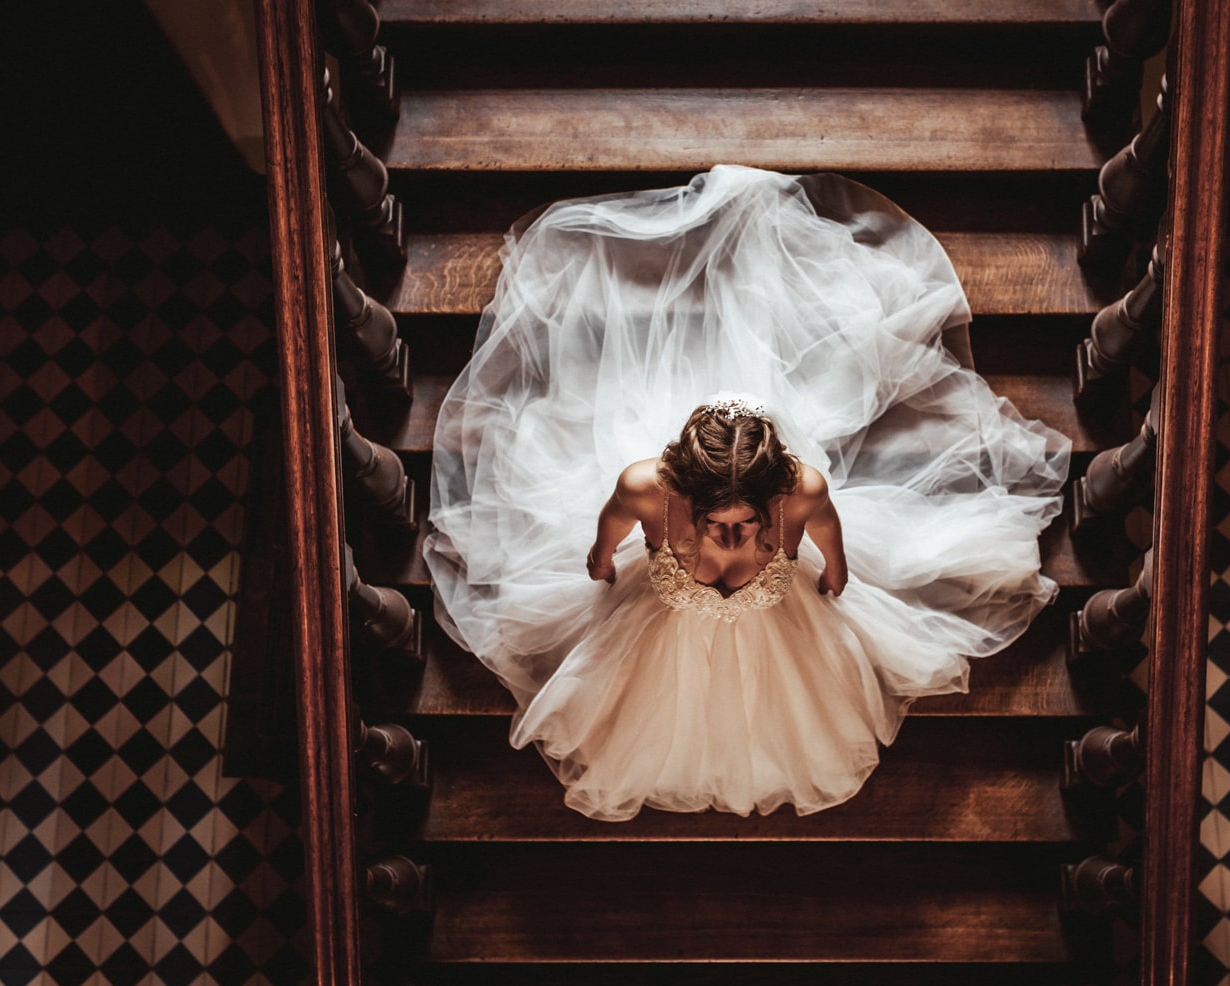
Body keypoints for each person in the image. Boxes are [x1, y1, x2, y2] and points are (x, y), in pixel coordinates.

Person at [426, 165, 1069, 822]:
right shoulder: (643, 485)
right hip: (661, 618)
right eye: (716, 524)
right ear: (683, 493)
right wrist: (598, 561)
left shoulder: (805, 489)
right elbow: (610, 529)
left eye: (747, 523)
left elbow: (829, 538)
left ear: (775, 497)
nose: (733, 538)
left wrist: (839, 574)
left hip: (780, 620)